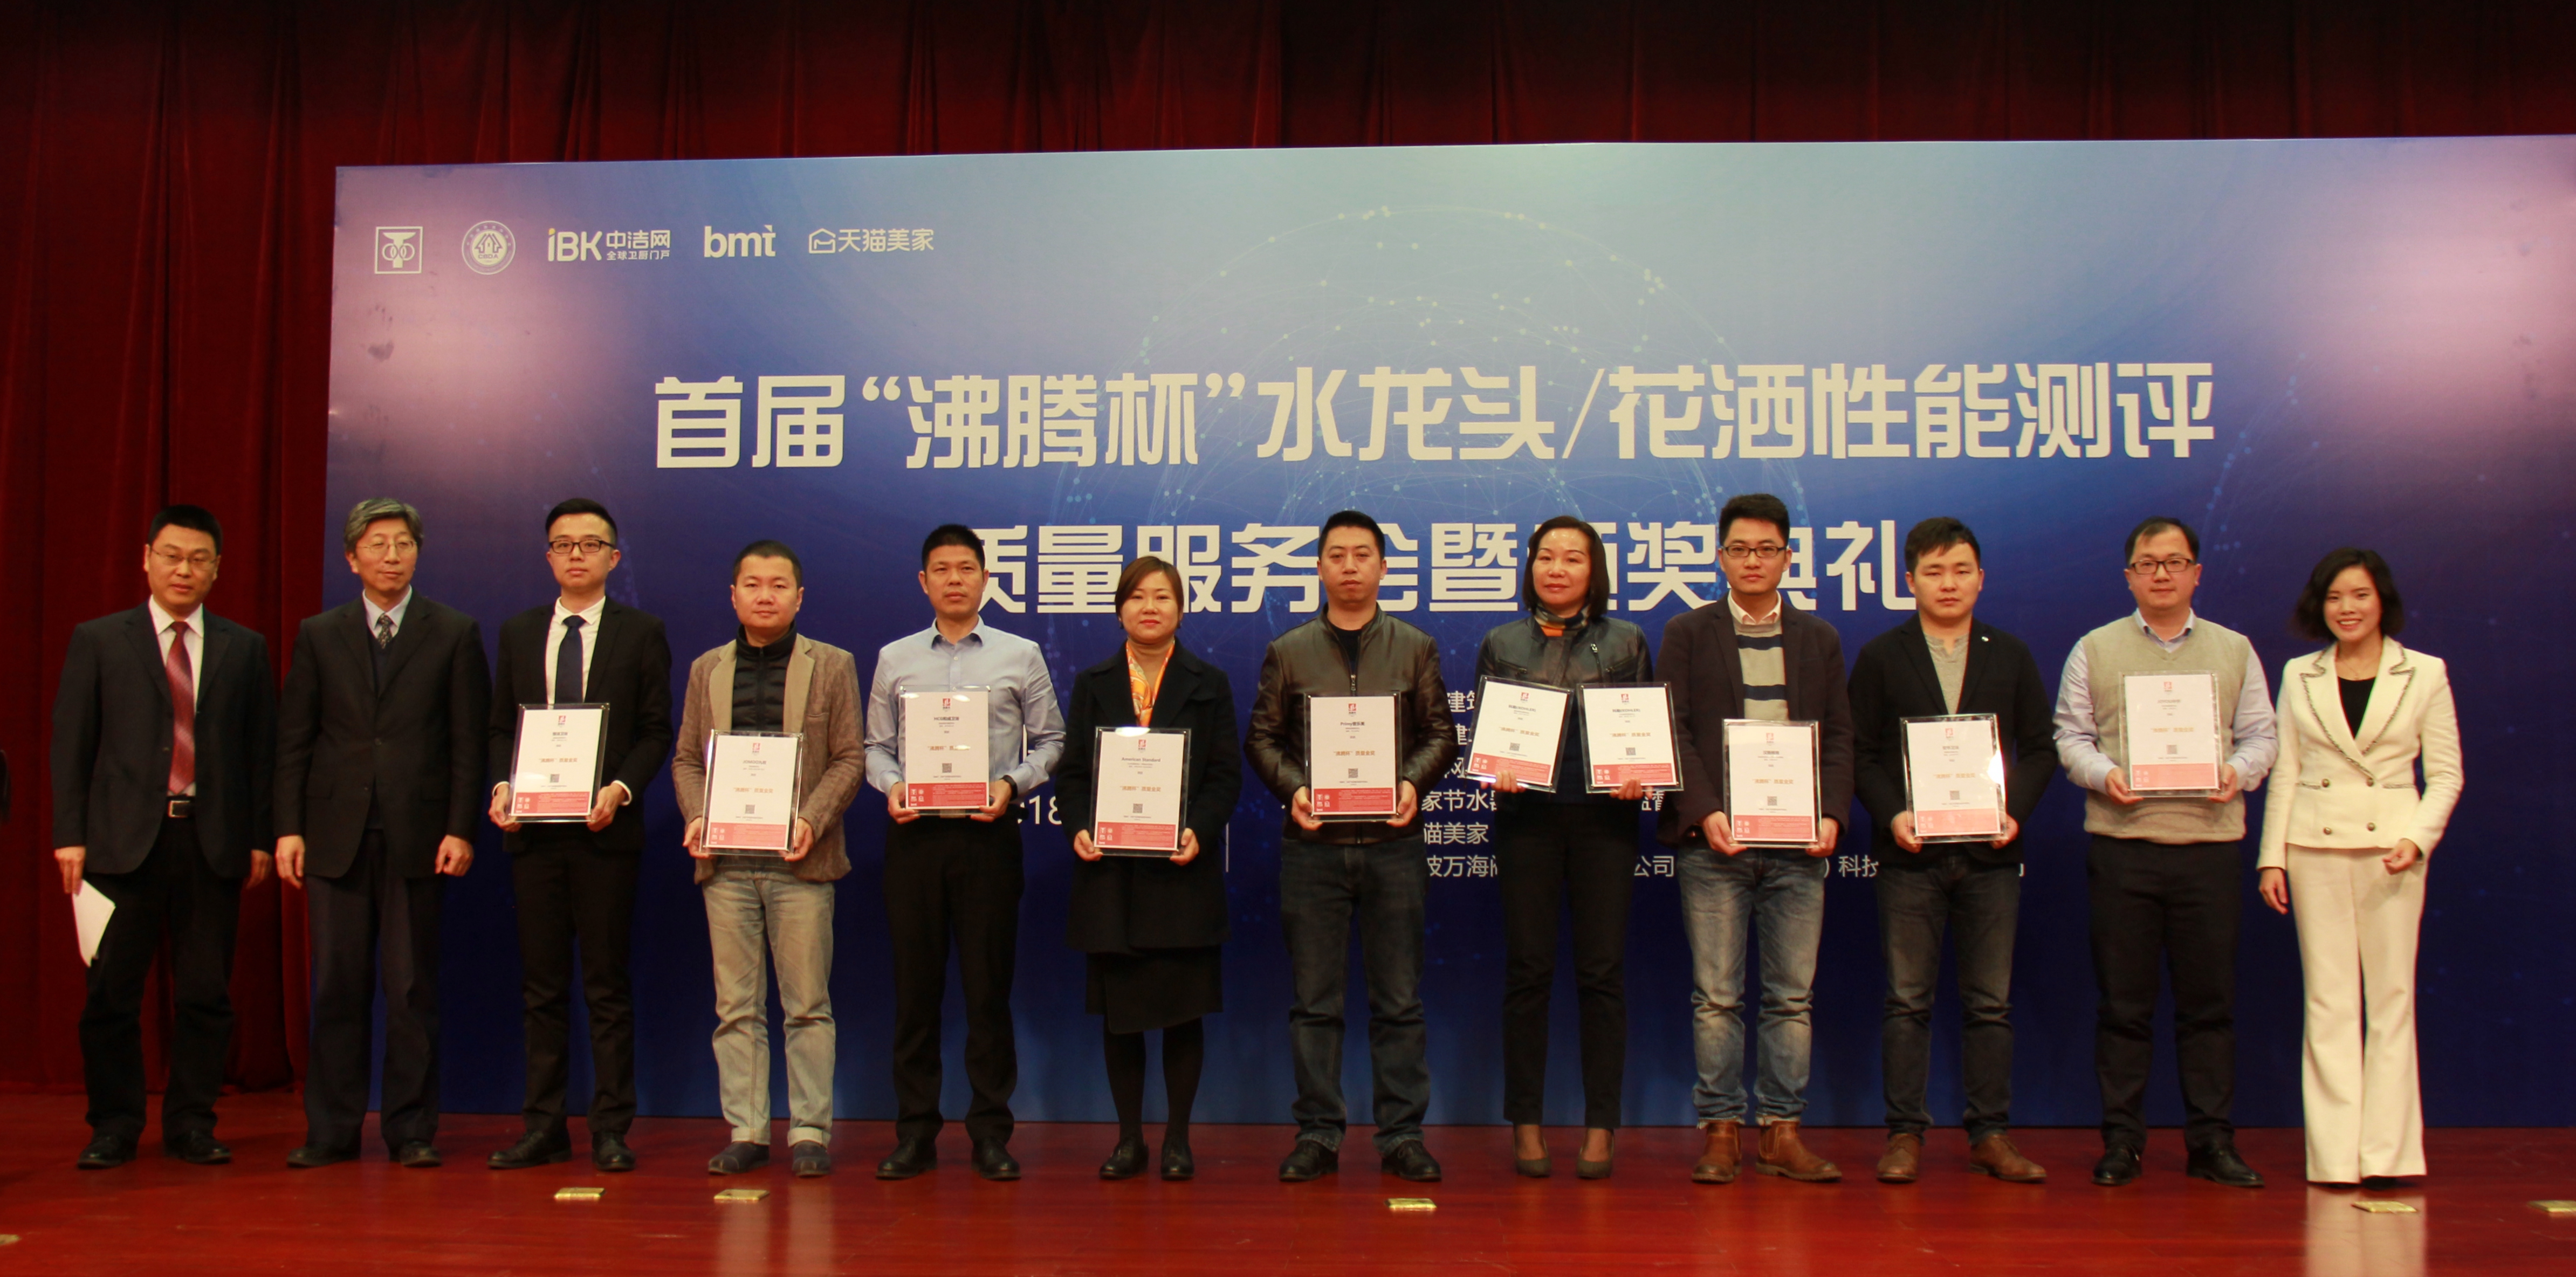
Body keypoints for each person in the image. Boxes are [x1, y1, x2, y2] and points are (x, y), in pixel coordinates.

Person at [2053, 515, 2278, 1189]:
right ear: (2128, 575)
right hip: (2124, 847)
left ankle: (2211, 1142)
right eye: (2147, 563)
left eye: (2174, 562)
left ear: (2196, 574)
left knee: (2208, 1006)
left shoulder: (2234, 649)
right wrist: (2105, 776)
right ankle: (2122, 1143)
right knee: (2123, 1007)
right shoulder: (2094, 649)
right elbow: (2070, 737)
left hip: (2208, 849)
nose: (2161, 574)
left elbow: (2261, 736)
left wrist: (2237, 771)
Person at [50, 505, 275, 1170]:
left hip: (211, 841)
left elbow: (260, 752)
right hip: (118, 845)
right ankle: (114, 1125)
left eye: (199, 559)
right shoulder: (99, 640)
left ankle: (192, 1122)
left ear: (217, 569)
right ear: (146, 558)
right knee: (111, 994)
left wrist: (259, 837)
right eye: (172, 555)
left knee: (206, 993)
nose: (184, 569)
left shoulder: (244, 647)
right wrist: (70, 835)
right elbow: (71, 745)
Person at [274, 499, 490, 1169]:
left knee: (411, 988)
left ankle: (411, 1129)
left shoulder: (452, 632)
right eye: (377, 544)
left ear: (417, 553)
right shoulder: (319, 633)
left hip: (419, 836)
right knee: (337, 986)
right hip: (333, 835)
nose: (391, 555)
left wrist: (459, 827)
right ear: (352, 558)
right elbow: (294, 740)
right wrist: (288, 828)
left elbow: (468, 742)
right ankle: (332, 1129)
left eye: (403, 543)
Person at [1244, 510, 1455, 1184]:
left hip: (1394, 846)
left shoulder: (1415, 647)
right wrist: (1295, 789)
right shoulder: (1289, 649)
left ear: (1383, 567)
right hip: (1313, 849)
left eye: (1362, 555)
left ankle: (1402, 1136)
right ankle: (1317, 1133)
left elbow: (1441, 733)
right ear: (1318, 568)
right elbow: (1262, 738)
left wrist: (1410, 782)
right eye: (1336, 555)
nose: (1349, 566)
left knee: (1400, 1001)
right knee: (1315, 1003)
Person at [1847, 517, 2055, 1185]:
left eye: (1961, 570)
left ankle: (1990, 1133)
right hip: (1909, 855)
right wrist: (1893, 814)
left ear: (1980, 579)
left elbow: (2041, 747)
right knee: (1907, 1001)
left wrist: (2013, 811)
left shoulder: (2010, 654)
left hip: (1990, 855)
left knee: (1989, 1003)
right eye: (1933, 572)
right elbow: (1861, 752)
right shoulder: (1881, 655)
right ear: (1909, 580)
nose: (1948, 583)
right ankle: (1904, 1134)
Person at [1659, 491, 1853, 1186]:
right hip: (1715, 845)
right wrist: (1703, 809)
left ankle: (1780, 1130)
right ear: (1720, 557)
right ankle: (1720, 1130)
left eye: (1766, 549)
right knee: (1716, 996)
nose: (1752, 561)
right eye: (1739, 549)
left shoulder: (1818, 638)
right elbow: (1673, 728)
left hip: (1799, 846)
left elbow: (1840, 734)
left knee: (1790, 997)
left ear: (1787, 557)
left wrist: (1832, 813)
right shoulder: (1688, 631)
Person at [863, 524, 1066, 1182]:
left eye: (966, 568)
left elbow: (1053, 741)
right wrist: (893, 785)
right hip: (915, 839)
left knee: (987, 992)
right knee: (915, 994)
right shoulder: (895, 658)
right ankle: (915, 1133)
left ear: (985, 579)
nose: (955, 579)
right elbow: (875, 746)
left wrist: (1011, 784)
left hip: (988, 837)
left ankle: (990, 1134)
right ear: (924, 582)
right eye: (942, 569)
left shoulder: (1020, 654)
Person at [2257, 549, 2460, 1187]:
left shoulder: (2423, 672)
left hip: (2391, 852)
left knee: (2391, 1000)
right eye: (2334, 597)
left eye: (2359, 595)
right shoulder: (2300, 674)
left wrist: (2418, 839)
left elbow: (2445, 775)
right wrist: (2271, 857)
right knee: (2328, 1001)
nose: (2347, 608)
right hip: (2312, 847)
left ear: (2382, 600)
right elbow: (2286, 770)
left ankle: (2388, 1155)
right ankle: (2335, 1157)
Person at [484, 498, 674, 1173]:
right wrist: (502, 785)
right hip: (533, 835)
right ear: (548, 557)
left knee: (605, 986)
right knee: (541, 989)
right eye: (563, 544)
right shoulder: (518, 632)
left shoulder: (641, 632)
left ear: (612, 558)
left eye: (590, 544)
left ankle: (611, 1129)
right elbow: (500, 725)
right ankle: (543, 1126)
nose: (575, 555)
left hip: (604, 835)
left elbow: (656, 730)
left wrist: (619, 789)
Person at [671, 540, 867, 1179]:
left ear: (799, 597)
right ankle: (748, 1130)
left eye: (778, 585)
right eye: (752, 584)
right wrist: (697, 814)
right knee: (737, 1007)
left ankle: (809, 1130)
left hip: (800, 862)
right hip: (726, 862)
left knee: (807, 1004)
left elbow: (850, 757)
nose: (765, 595)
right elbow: (686, 759)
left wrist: (810, 819)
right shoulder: (706, 668)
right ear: (733, 595)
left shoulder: (832, 664)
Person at [1055, 556, 1244, 1182]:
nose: (1149, 607)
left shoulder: (1208, 681)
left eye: (1162, 597)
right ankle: (1129, 1138)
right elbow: (1072, 772)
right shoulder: (1093, 682)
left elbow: (1224, 775)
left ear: (1180, 609)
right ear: (1119, 610)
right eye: (1136, 597)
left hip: (1180, 871)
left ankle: (1178, 1140)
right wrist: (1079, 825)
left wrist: (1199, 830)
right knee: (1123, 1016)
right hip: (1111, 875)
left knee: (1183, 1012)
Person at [1475, 516, 1651, 1180]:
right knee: (1528, 971)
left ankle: (1601, 1124)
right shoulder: (1502, 642)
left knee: (1601, 973)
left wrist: (1640, 772)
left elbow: (1643, 731)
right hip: (1528, 822)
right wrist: (1496, 767)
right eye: (1545, 556)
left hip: (1606, 822)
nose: (1557, 568)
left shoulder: (1627, 641)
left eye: (1572, 558)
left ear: (1593, 571)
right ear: (1530, 567)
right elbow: (1487, 733)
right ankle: (1526, 1120)